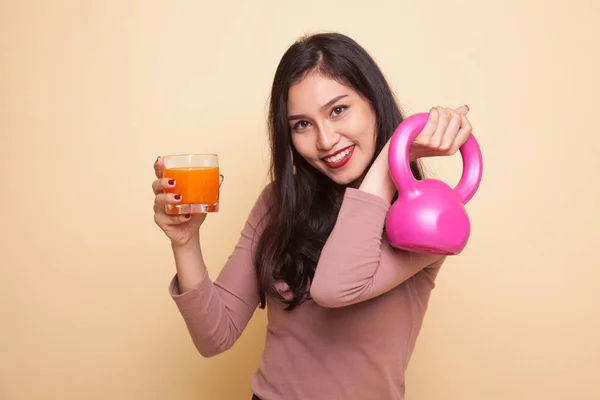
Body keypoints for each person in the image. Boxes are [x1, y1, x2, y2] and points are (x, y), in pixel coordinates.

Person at [152, 32, 473, 400]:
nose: (325, 140)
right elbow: (215, 336)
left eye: (338, 110)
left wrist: (389, 159)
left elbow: (335, 288)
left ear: (374, 103)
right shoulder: (278, 203)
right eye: (302, 124)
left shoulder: (426, 218)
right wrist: (186, 241)